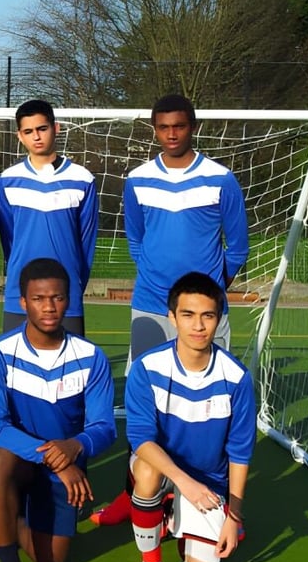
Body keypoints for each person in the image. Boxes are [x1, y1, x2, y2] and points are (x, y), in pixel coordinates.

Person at [93, 94, 248, 526]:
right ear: (154, 130)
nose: (172, 134)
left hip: (203, 312)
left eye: (179, 125)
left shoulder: (221, 179)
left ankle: (217, 501)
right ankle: (136, 494)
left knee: (212, 404)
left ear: (192, 126)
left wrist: (210, 295)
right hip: (150, 306)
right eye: (163, 127)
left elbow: (236, 246)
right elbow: (137, 239)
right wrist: (158, 280)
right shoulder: (139, 179)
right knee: (145, 402)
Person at [0, 258, 115, 562]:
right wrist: (56, 459)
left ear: (68, 300)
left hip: (64, 465)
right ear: (23, 302)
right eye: (39, 298)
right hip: (23, 461)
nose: (49, 307)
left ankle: (0, 514)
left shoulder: (91, 357)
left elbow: (105, 428)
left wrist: (74, 447)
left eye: (56, 298)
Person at [120, 272, 255, 562]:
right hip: (165, 469)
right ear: (172, 317)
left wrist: (233, 516)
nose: (198, 326)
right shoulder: (148, 368)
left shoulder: (236, 377)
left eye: (207, 316)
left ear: (218, 319)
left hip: (208, 481)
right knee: (147, 473)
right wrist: (184, 483)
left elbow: (239, 452)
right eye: (188, 315)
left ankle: (173, 515)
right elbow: (140, 438)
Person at [0, 99, 97, 335]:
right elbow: (9, 240)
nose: (37, 137)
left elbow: (86, 243)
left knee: (71, 369)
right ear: (19, 136)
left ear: (56, 128)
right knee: (16, 368)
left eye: (42, 129)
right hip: (18, 295)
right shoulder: (8, 180)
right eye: (29, 131)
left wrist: (74, 285)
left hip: (66, 295)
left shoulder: (82, 179)